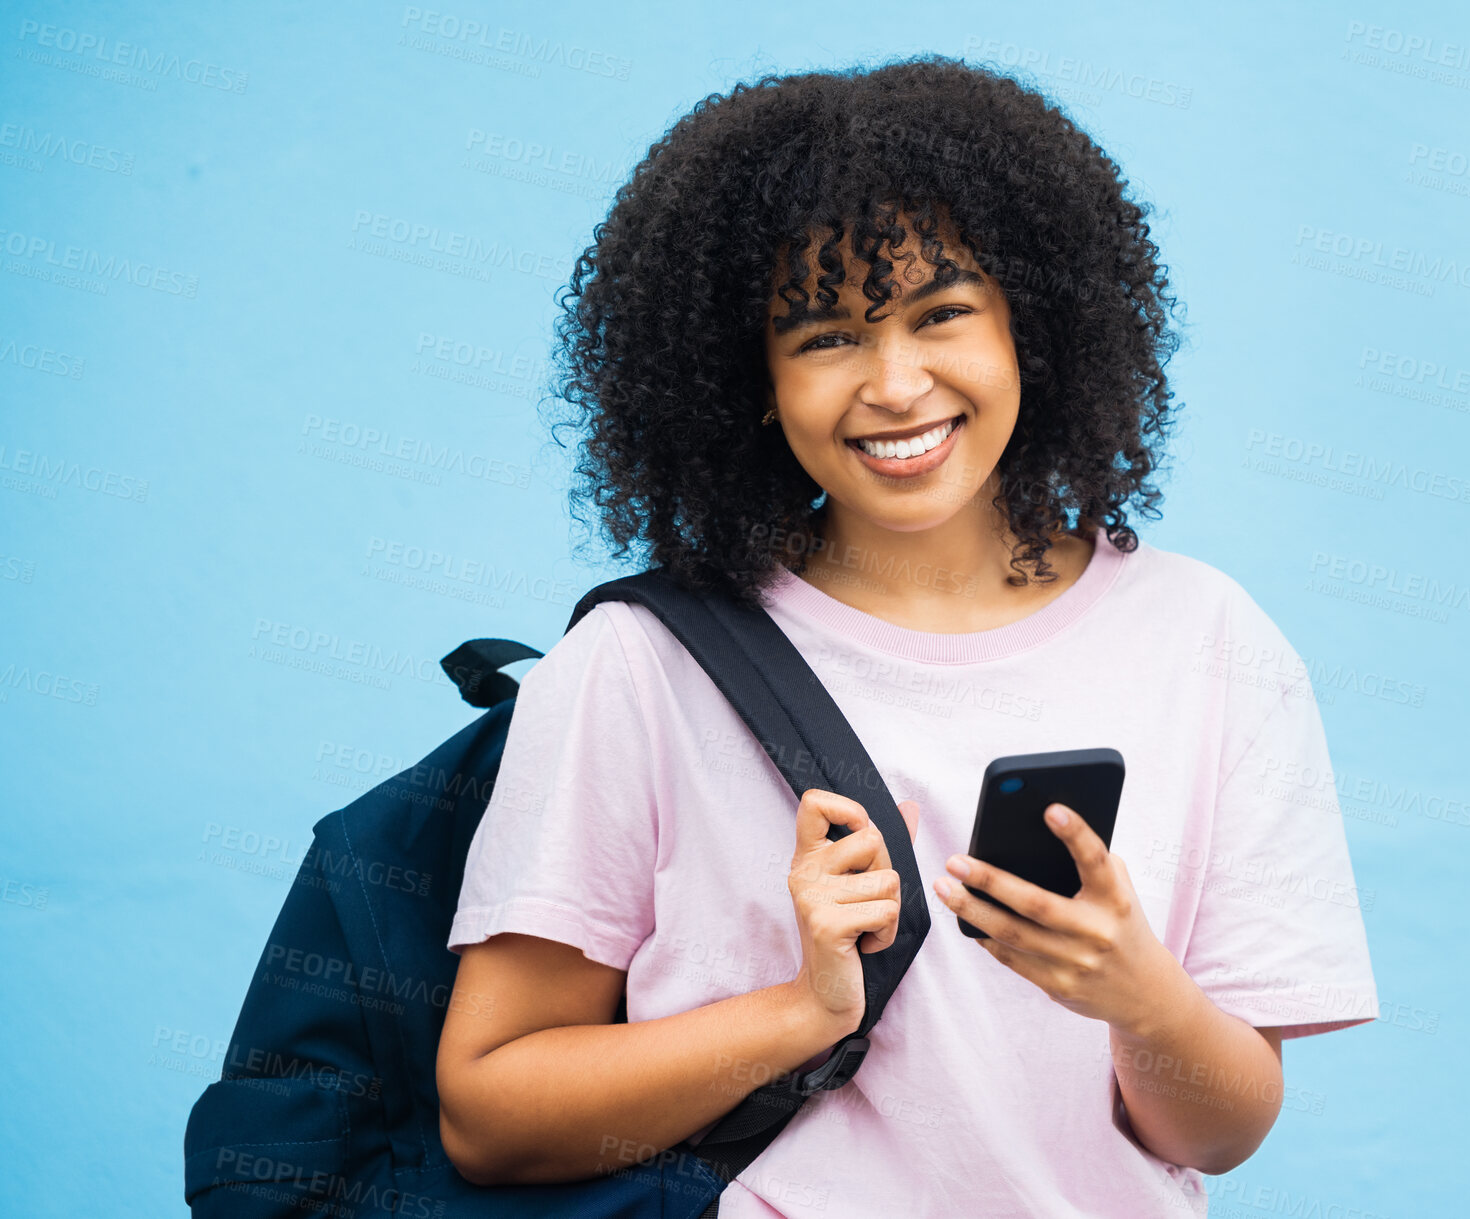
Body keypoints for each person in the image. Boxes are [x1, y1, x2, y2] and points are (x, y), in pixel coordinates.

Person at [435, 54, 1379, 1218]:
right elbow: (488, 1115)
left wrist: (1140, 995)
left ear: (1032, 323)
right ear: (750, 379)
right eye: (825, 335)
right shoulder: (640, 665)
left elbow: (1221, 1133)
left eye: (941, 314)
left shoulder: (1210, 641)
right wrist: (803, 1010)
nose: (894, 383)